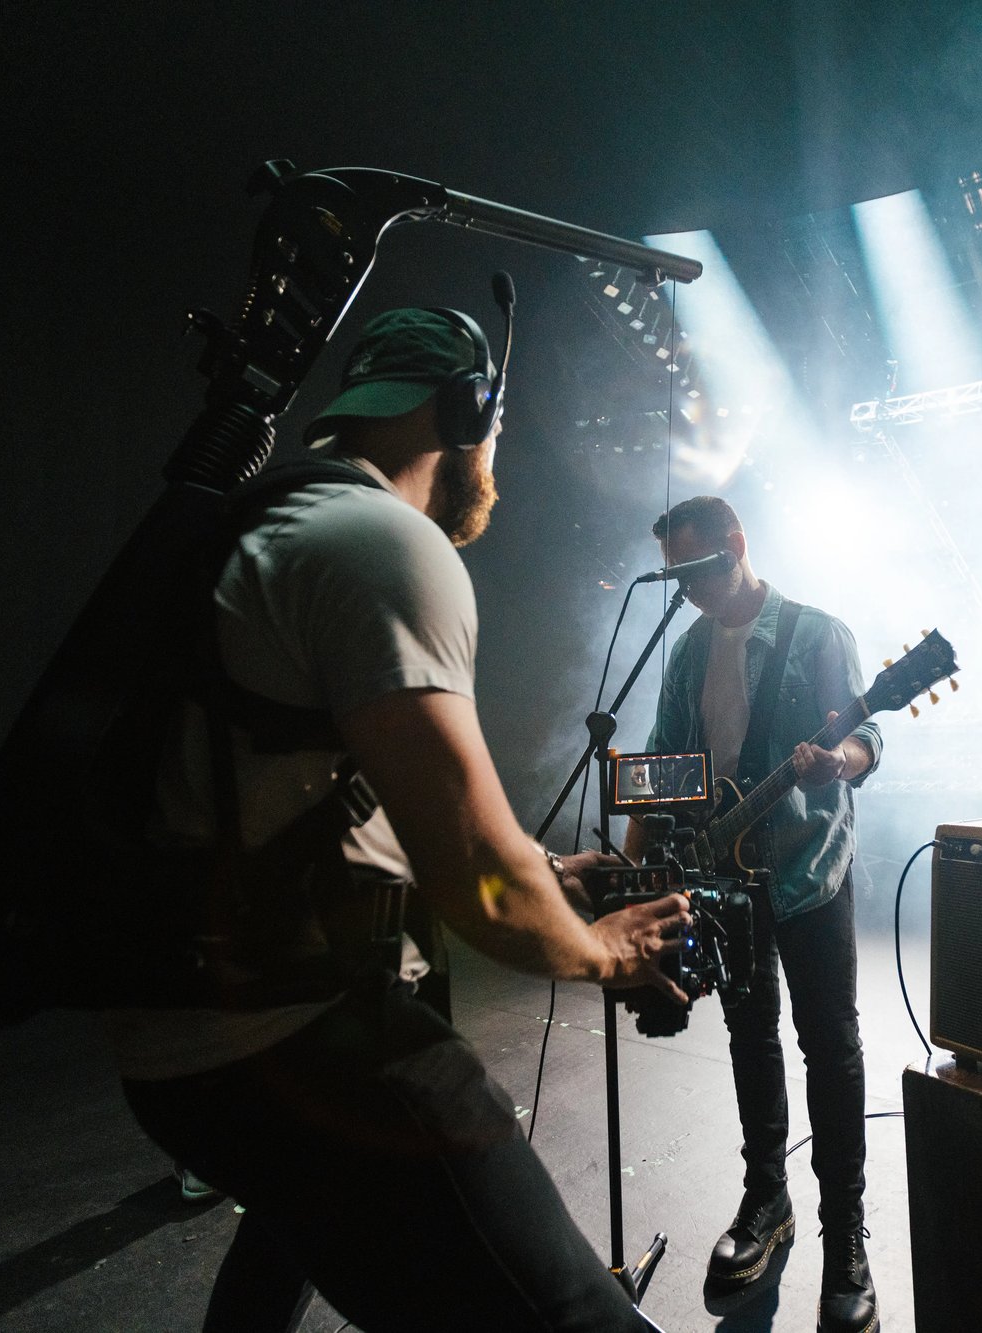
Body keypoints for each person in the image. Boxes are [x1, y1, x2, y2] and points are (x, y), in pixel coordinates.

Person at [102, 306, 690, 1332]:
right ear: (467, 410)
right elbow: (479, 879)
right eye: (496, 431)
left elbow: (314, 812)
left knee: (285, 1246)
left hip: (188, 1047)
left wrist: (538, 870)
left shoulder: (268, 525)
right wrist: (600, 947)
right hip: (305, 1037)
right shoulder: (385, 544)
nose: (495, 458)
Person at [625, 495, 884, 1333]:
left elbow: (867, 739)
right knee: (749, 1035)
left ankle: (846, 1236)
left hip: (810, 871)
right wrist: (641, 863)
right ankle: (766, 1199)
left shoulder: (816, 632)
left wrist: (832, 761)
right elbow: (666, 765)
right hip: (725, 880)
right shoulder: (689, 650)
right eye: (676, 575)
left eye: (698, 569)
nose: (688, 588)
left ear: (736, 547)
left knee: (830, 1047)